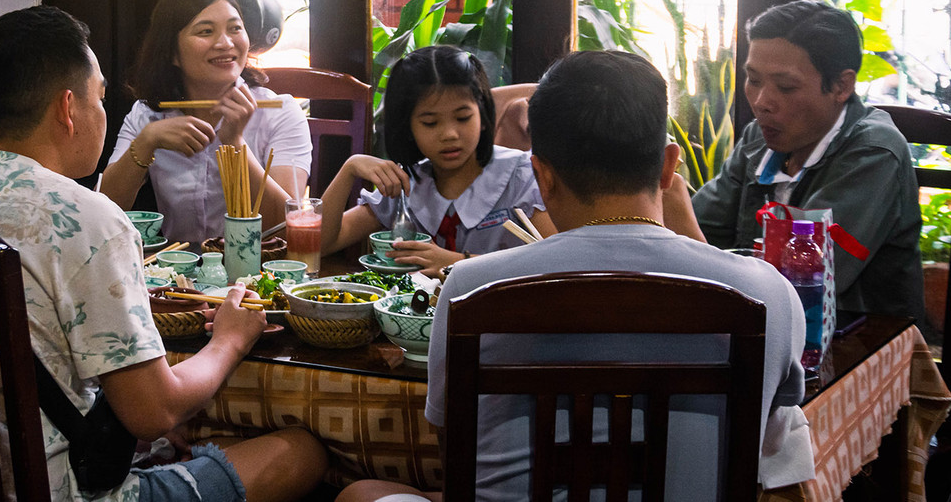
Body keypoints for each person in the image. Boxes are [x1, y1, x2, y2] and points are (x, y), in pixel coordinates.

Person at [0, 5, 327, 502]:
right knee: (301, 451)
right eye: (99, 97)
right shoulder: (88, 218)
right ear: (67, 108)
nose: (104, 111)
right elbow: (154, 410)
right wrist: (229, 339)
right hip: (65, 492)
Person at [339, 50, 812, 502]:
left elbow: (455, 445)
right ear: (669, 167)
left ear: (541, 176)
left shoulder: (471, 289)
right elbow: (774, 442)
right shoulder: (769, 294)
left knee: (360, 493)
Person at [691, 0, 922, 320]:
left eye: (785, 87)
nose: (761, 103)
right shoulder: (758, 139)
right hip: (761, 330)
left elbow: (803, 283)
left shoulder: (874, 154)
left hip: (856, 346)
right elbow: (703, 232)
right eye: (754, 80)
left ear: (842, 86)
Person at [99, 0, 313, 243]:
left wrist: (235, 143)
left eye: (235, 28)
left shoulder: (280, 111)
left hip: (257, 276)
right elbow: (104, 212)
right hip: (177, 276)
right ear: (172, 53)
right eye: (206, 31)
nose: (225, 43)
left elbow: (286, 228)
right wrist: (147, 142)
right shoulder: (148, 115)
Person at [317, 46, 555, 276]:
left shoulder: (522, 176)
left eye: (463, 118)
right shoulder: (407, 184)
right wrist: (349, 168)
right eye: (430, 123)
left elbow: (557, 260)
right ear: (408, 128)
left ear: (483, 115)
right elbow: (321, 244)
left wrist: (459, 263)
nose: (449, 134)